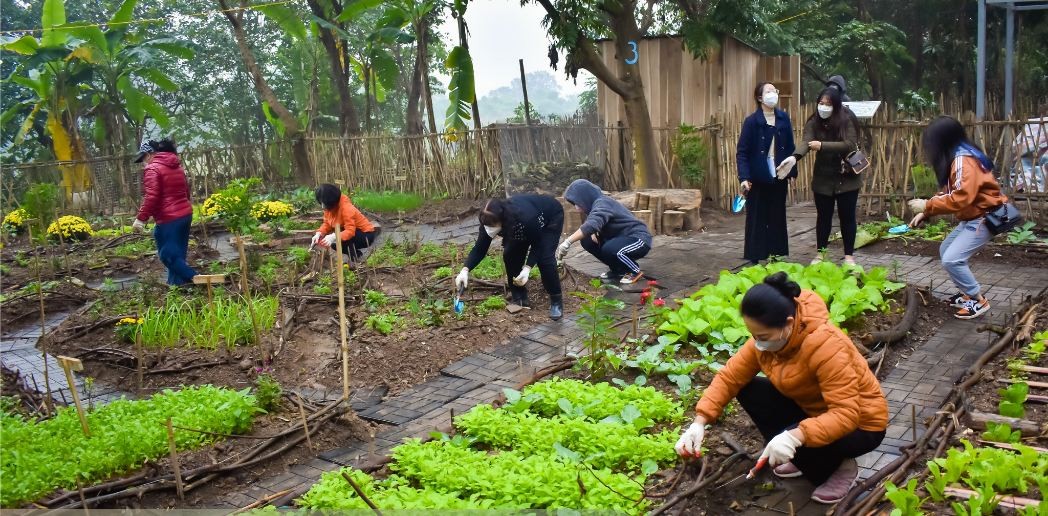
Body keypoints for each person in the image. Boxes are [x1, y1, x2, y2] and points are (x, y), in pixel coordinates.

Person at [675, 273, 887, 504]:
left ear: (788, 323)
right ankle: (807, 456)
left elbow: (846, 414)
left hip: (860, 425)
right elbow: (730, 377)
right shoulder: (769, 339)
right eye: (753, 334)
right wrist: (699, 422)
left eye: (763, 336)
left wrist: (795, 435)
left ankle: (842, 468)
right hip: (816, 411)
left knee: (797, 440)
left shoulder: (826, 345)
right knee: (748, 389)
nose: (757, 342)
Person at [907, 116, 1007, 320]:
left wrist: (927, 204)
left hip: (985, 217)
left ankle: (978, 300)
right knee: (946, 250)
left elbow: (961, 197)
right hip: (974, 217)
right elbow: (951, 192)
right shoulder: (959, 157)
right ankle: (967, 294)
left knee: (952, 259)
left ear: (942, 140)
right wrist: (926, 212)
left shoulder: (963, 160)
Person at [455, 195, 565, 320]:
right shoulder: (489, 220)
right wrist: (465, 270)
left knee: (545, 259)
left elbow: (538, 245)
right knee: (510, 255)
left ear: (502, 220)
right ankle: (519, 297)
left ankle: (556, 299)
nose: (489, 230)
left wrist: (528, 268)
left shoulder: (527, 218)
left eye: (493, 226)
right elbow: (480, 249)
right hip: (519, 225)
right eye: (486, 225)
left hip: (549, 218)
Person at [793, 87, 861, 266]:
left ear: (836, 105)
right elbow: (806, 142)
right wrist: (795, 157)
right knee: (823, 217)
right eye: (821, 103)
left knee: (847, 217)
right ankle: (821, 254)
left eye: (828, 104)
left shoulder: (846, 119)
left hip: (847, 177)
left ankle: (849, 256)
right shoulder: (813, 121)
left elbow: (850, 144)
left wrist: (822, 145)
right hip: (823, 178)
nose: (823, 107)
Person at [737, 82, 797, 263]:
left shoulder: (783, 118)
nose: (773, 94)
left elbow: (791, 147)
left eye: (774, 91)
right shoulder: (752, 121)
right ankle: (755, 255)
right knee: (756, 216)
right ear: (760, 97)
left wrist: (792, 172)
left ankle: (776, 253)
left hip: (779, 174)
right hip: (758, 175)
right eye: (768, 91)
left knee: (777, 214)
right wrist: (744, 177)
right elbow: (742, 152)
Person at [556, 179, 652, 285]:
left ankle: (634, 271)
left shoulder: (603, 202)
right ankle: (618, 270)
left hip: (637, 238)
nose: (576, 207)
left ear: (585, 197)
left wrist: (567, 242)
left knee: (611, 249)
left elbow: (591, 224)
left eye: (577, 202)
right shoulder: (594, 205)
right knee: (587, 241)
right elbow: (595, 222)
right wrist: (593, 232)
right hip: (619, 238)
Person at [132, 139, 199, 286]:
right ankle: (178, 285)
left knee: (167, 256)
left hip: (169, 219)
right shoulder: (176, 165)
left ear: (150, 154)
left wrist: (141, 219)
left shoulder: (153, 169)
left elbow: (152, 196)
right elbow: (186, 191)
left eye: (143, 157)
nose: (144, 162)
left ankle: (197, 278)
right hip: (184, 215)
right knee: (178, 255)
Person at [310, 184, 377, 262]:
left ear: (332, 200)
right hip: (353, 233)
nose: (322, 206)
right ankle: (357, 255)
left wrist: (334, 236)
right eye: (321, 202)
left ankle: (355, 261)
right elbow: (327, 223)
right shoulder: (329, 208)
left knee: (341, 240)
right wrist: (319, 233)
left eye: (324, 203)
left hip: (366, 235)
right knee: (335, 245)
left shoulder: (346, 208)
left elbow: (350, 231)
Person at [1010, 102, 1047, 193]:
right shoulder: (1035, 126)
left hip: (1041, 158)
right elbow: (1020, 147)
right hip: (1034, 158)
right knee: (1023, 163)